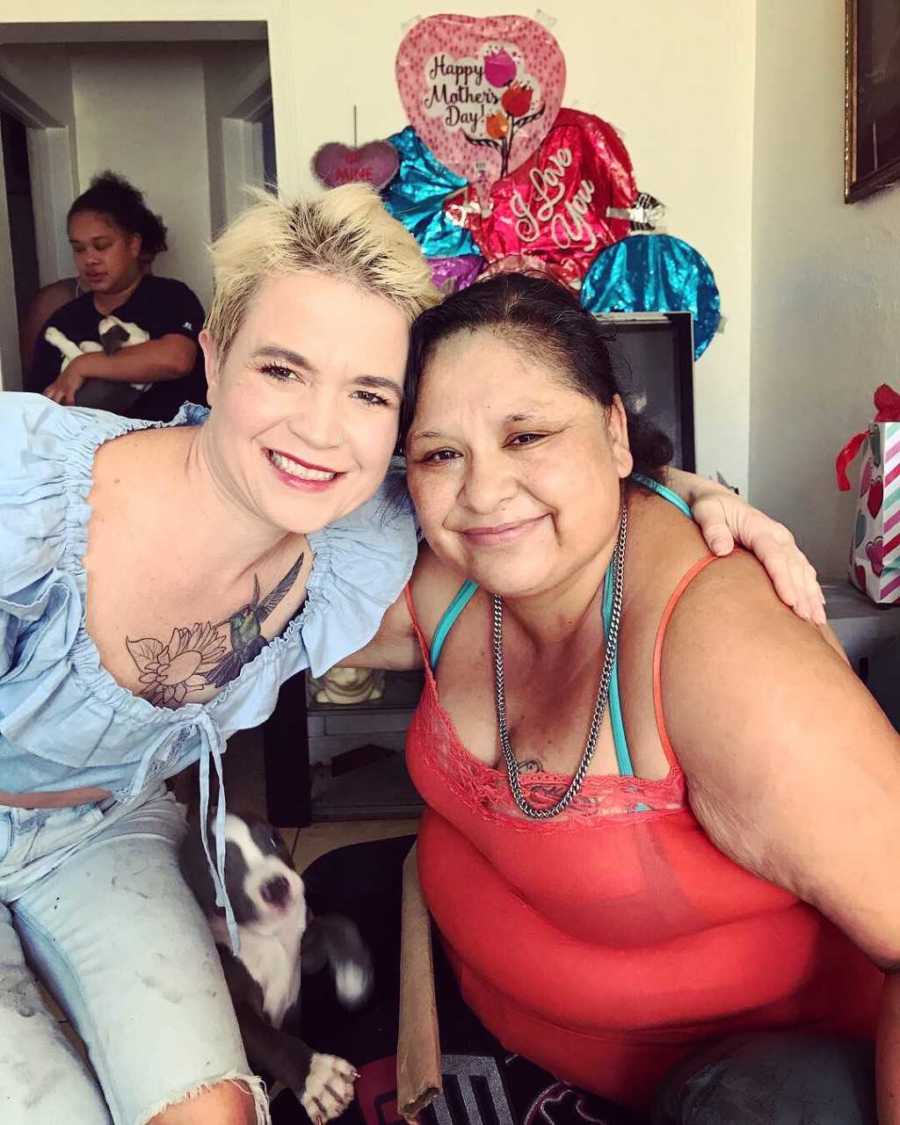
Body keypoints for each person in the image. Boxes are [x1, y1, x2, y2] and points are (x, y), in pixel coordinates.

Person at [0, 185, 824, 1125]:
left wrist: (680, 489)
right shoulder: (25, 491)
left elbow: (526, 484)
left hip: (102, 834)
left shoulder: (357, 540)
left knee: (210, 1114)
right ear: (217, 360)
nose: (320, 428)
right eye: (282, 370)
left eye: (369, 393)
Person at [335, 273, 900, 1125]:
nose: (483, 493)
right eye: (440, 452)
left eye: (527, 435)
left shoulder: (726, 654)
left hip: (741, 1081)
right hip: (468, 1005)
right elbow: (259, 560)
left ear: (612, 431)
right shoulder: (450, 578)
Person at [28, 171, 206, 421]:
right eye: (79, 249)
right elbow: (37, 411)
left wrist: (83, 365)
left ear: (133, 245)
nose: (90, 259)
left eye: (102, 246)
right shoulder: (64, 322)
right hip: (91, 455)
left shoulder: (170, 297)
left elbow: (176, 359)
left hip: (173, 449)